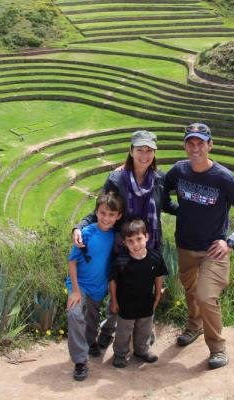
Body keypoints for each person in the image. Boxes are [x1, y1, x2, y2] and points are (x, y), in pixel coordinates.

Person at [164, 122, 234, 370]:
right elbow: (160, 189)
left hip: (213, 251)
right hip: (185, 245)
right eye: (190, 142)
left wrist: (231, 242)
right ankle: (194, 326)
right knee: (190, 290)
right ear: (185, 145)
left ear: (210, 145)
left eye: (200, 143)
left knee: (206, 296)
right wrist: (127, 168)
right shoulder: (179, 171)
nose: (195, 148)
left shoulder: (223, 178)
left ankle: (218, 348)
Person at [72, 130, 177, 349]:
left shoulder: (160, 179)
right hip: (121, 247)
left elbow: (167, 205)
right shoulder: (117, 179)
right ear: (131, 151)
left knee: (143, 291)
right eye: (140, 150)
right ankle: (108, 331)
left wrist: (195, 209)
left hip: (149, 246)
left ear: (154, 153)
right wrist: (79, 227)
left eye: (149, 150)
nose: (145, 155)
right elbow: (101, 210)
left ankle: (143, 335)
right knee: (118, 293)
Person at [66, 191, 123, 381]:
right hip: (79, 284)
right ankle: (80, 361)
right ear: (96, 213)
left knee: (92, 318)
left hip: (99, 286)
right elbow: (72, 262)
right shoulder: (86, 233)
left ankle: (90, 342)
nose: (106, 218)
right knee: (74, 315)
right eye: (102, 213)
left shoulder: (116, 236)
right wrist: (74, 291)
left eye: (111, 214)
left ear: (118, 216)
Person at [109, 218, 167, 368]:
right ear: (124, 242)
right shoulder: (121, 261)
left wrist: (158, 295)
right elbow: (113, 281)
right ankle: (120, 354)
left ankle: (142, 350)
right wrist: (114, 301)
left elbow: (158, 275)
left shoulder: (155, 257)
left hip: (146, 303)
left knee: (144, 330)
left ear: (146, 236)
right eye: (130, 241)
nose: (135, 244)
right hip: (126, 306)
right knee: (123, 332)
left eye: (139, 239)